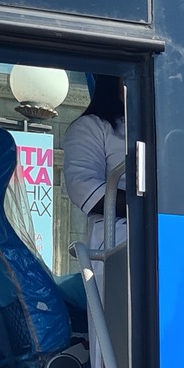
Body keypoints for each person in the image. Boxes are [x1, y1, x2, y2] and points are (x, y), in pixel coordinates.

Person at [63, 74, 127, 254]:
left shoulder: (164, 129)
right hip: (120, 242)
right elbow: (84, 188)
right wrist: (148, 206)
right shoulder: (91, 126)